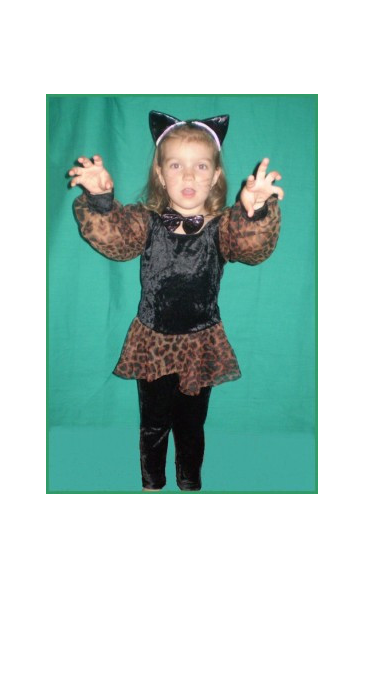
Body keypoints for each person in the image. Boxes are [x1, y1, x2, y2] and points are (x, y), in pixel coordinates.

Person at [68, 110, 284, 492]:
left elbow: (252, 247)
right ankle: (152, 484)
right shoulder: (145, 222)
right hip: (153, 342)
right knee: (153, 423)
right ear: (160, 174)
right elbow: (117, 239)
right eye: (176, 165)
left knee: (192, 424)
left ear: (215, 176)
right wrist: (101, 201)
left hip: (202, 344)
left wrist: (256, 212)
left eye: (200, 166)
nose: (188, 176)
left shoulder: (224, 227)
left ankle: (190, 482)